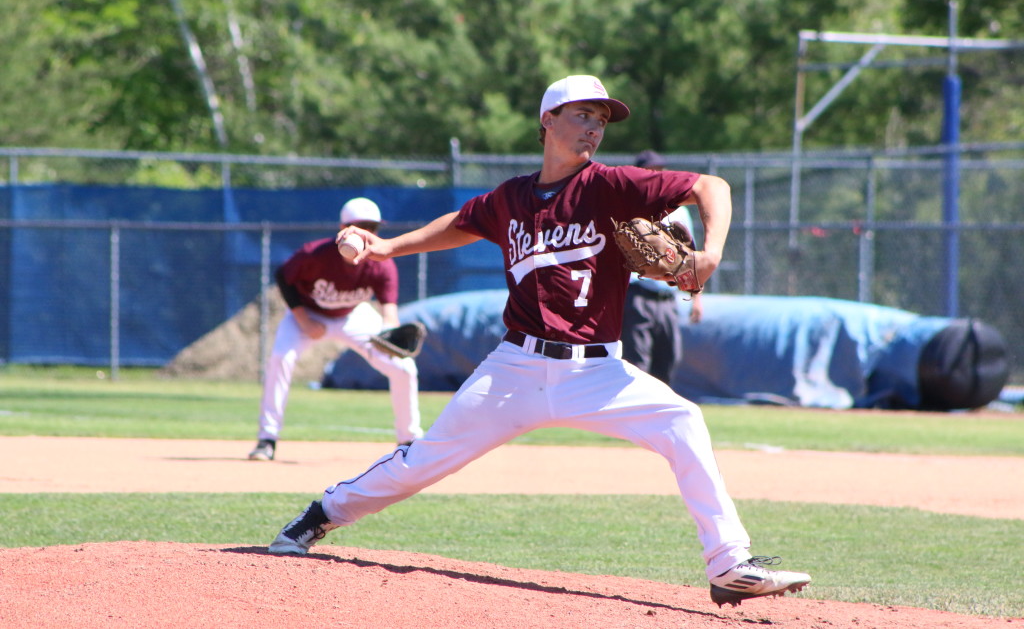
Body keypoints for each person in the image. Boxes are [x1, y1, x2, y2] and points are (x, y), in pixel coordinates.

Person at [267, 75, 810, 607]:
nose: (593, 129)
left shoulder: (611, 186)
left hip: (598, 372)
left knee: (683, 421)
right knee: (425, 460)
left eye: (600, 121)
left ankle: (728, 565)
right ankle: (318, 517)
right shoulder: (511, 199)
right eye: (582, 115)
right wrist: (386, 249)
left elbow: (710, 187)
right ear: (548, 120)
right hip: (516, 368)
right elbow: (461, 221)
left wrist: (710, 252)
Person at [247, 197, 424, 461]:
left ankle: (409, 440)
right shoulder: (314, 254)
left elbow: (389, 309)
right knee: (280, 358)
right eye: (358, 225)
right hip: (307, 314)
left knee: (404, 368)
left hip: (354, 316)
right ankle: (267, 439)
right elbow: (284, 277)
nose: (365, 232)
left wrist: (389, 332)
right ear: (342, 227)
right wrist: (303, 320)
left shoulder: (382, 262)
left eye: (372, 227)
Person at [622, 150, 704, 384]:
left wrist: (695, 295)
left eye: (660, 170)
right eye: (651, 171)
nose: (657, 175)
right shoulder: (627, 207)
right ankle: (634, 417)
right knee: (637, 363)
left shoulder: (679, 210)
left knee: (668, 360)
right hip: (637, 295)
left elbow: (687, 255)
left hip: (668, 298)